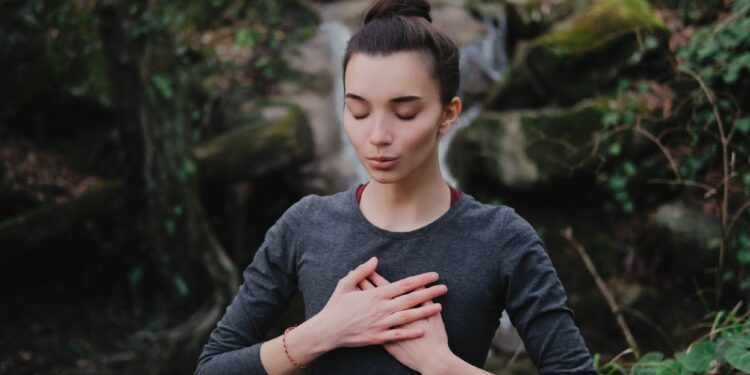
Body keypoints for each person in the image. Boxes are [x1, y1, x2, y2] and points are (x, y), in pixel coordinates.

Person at [195, 0, 596, 374]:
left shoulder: (502, 239)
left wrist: (443, 366)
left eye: (404, 113)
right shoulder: (305, 225)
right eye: (358, 111)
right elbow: (211, 367)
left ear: (448, 113)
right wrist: (320, 334)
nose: (377, 136)